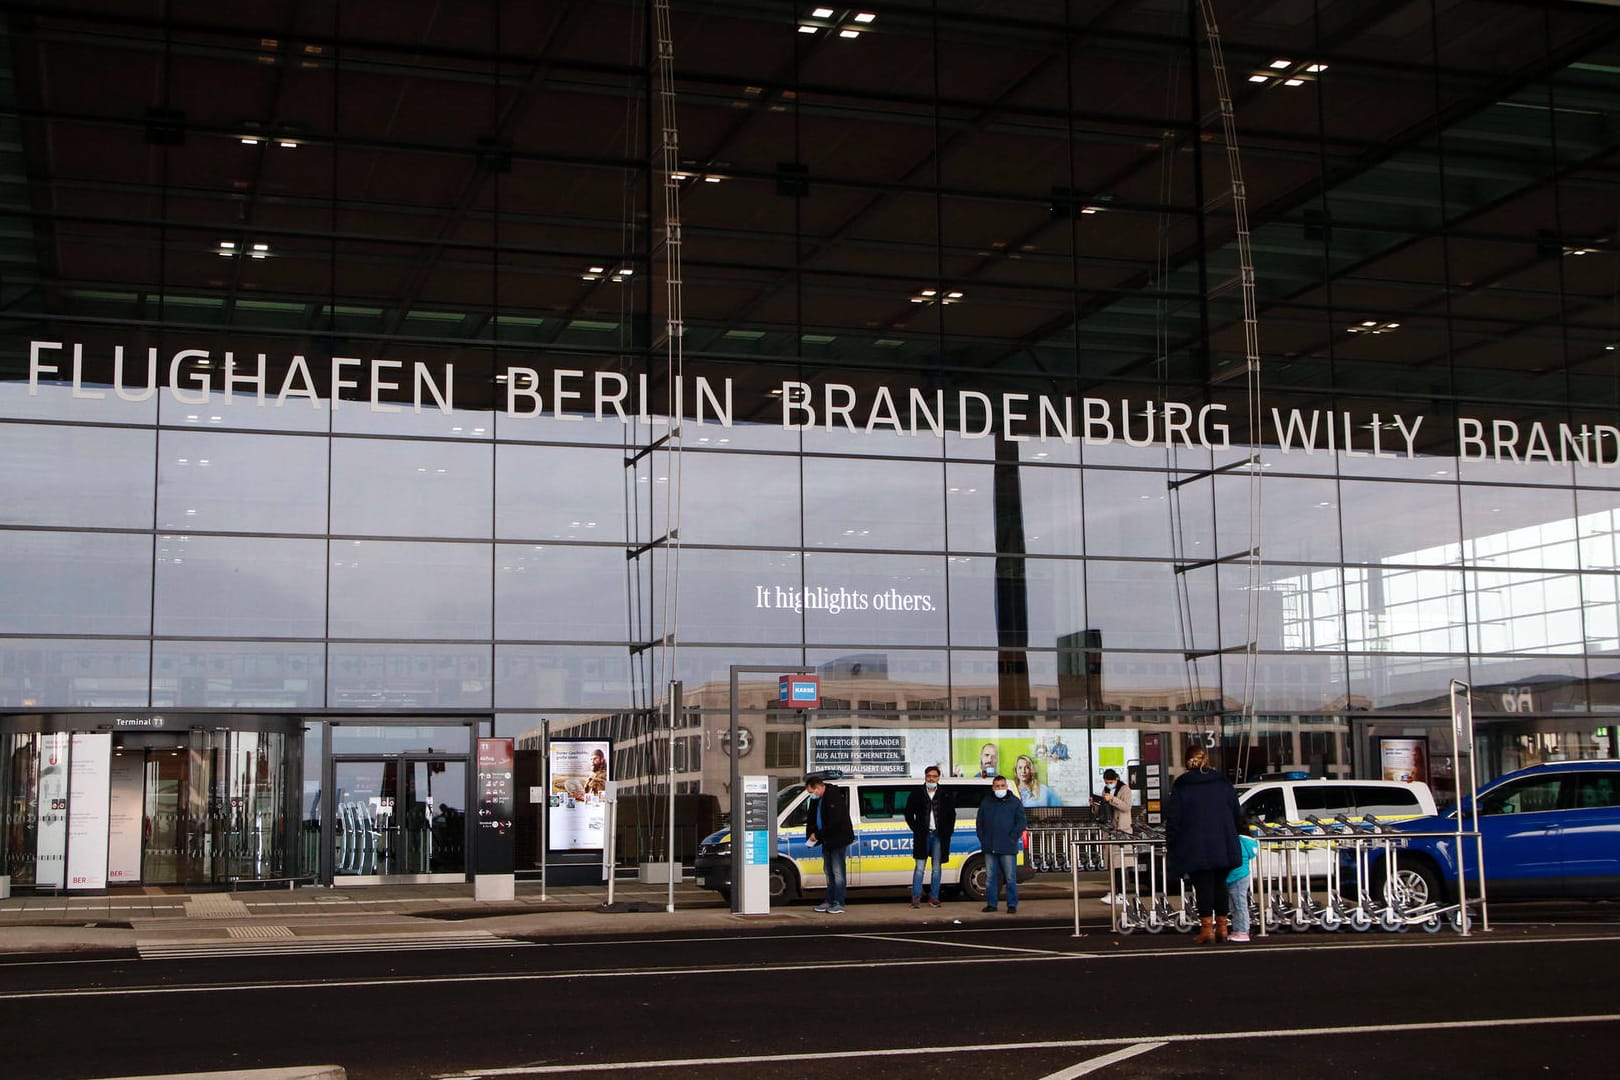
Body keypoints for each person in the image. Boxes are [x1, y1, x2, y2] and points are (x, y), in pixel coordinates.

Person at [1165, 744, 1244, 945]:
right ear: (1205, 759)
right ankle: (1223, 928)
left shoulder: (1183, 785)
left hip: (1196, 844)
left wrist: (1173, 842)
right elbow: (1236, 813)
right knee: (1220, 886)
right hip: (1223, 843)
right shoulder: (1223, 782)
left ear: (1187, 761)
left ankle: (1207, 929)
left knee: (1203, 887)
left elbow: (1174, 819)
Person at [903, 765, 955, 908]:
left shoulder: (945, 794)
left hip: (939, 836)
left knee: (936, 868)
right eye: (928, 776)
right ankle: (916, 897)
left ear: (938, 778)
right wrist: (917, 829)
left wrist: (947, 832)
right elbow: (908, 813)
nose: (931, 778)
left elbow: (952, 815)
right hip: (922, 836)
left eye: (934, 776)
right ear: (925, 777)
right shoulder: (917, 793)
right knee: (919, 867)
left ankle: (934, 897)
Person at [803, 773, 854, 914]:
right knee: (829, 872)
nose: (811, 795)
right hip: (826, 840)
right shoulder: (817, 799)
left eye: (812, 792)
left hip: (837, 839)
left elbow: (834, 822)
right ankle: (829, 900)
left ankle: (839, 902)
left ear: (818, 787)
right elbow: (812, 818)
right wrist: (812, 835)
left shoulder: (833, 797)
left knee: (838, 872)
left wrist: (817, 835)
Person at [975, 775, 1026, 913]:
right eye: (997, 786)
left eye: (1002, 785)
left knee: (1010, 877)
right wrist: (983, 839)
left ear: (1006, 786)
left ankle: (1012, 905)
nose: (999, 788)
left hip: (1008, 847)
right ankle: (992, 904)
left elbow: (1021, 822)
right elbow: (979, 822)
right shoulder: (986, 802)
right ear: (993, 787)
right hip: (990, 846)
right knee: (990, 877)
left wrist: (1013, 837)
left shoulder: (1015, 802)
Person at [1092, 767, 1133, 905]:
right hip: (1110, 831)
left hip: (1122, 830)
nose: (1109, 784)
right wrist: (1096, 805)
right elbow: (1104, 809)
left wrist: (1113, 799)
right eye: (1106, 782)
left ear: (1116, 779)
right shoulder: (1106, 790)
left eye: (1110, 781)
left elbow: (1127, 807)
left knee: (1120, 864)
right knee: (1112, 864)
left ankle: (1121, 893)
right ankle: (1115, 891)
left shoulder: (1125, 789)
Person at [1226, 820, 1260, 943]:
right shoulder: (1250, 841)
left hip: (1236, 875)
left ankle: (1243, 931)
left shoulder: (1237, 840)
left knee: (1238, 905)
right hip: (1242, 875)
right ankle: (1238, 930)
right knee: (1237, 905)